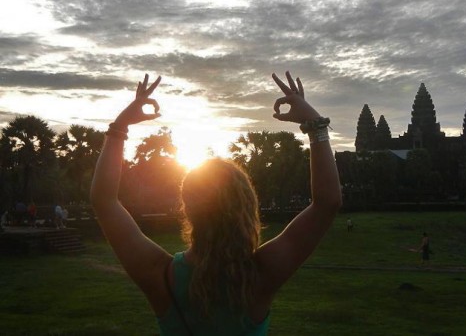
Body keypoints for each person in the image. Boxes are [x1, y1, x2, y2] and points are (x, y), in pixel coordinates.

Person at [90, 72, 342, 335]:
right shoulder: (262, 274)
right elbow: (327, 202)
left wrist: (120, 126)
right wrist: (315, 125)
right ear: (248, 207)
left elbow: (104, 202)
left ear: (187, 208)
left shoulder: (161, 276)